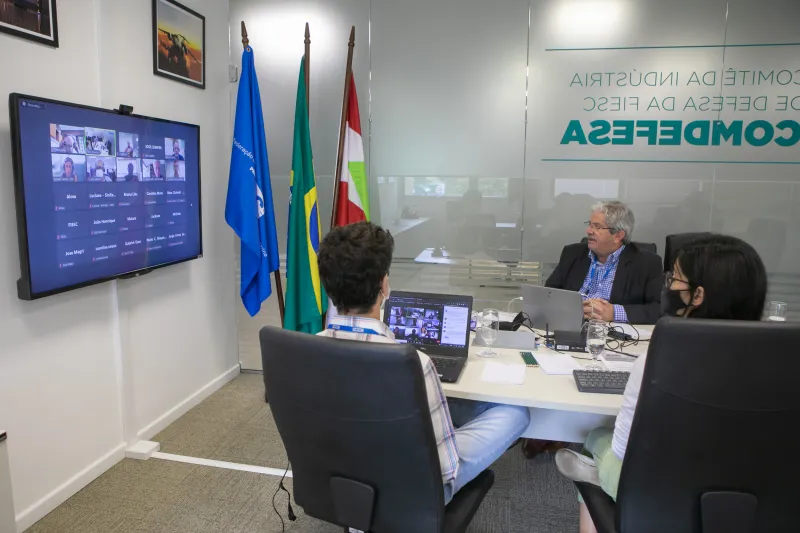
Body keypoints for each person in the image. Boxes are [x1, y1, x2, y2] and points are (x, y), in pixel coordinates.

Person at [555, 234, 767, 533]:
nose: (666, 285)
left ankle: (593, 471)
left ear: (698, 295)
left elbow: (623, 446)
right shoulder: (780, 359)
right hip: (754, 497)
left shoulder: (662, 358)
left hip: (662, 491)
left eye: (675, 278)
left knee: (596, 439)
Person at [317, 221, 530, 504]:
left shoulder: (304, 350)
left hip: (339, 474)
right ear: (384, 285)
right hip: (414, 489)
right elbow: (445, 468)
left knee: (450, 405)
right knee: (516, 413)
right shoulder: (413, 362)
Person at [545, 200, 663, 325]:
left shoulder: (647, 263)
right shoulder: (572, 254)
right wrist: (573, 308)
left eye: (597, 226)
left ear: (618, 236)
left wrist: (614, 313)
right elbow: (548, 294)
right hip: (570, 325)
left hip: (614, 333)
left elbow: (658, 309)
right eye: (590, 225)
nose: (589, 231)